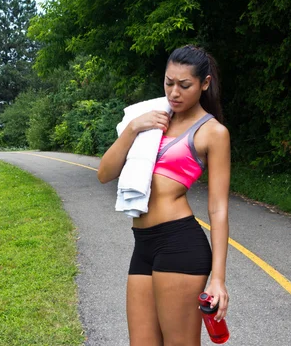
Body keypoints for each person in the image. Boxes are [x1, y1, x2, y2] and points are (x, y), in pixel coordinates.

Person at [97, 45, 230, 345]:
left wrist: (218, 279)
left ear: (204, 84)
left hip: (179, 244)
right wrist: (133, 128)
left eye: (184, 85)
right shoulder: (150, 119)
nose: (174, 93)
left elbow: (219, 209)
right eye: (169, 83)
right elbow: (105, 174)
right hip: (142, 245)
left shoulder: (212, 132)